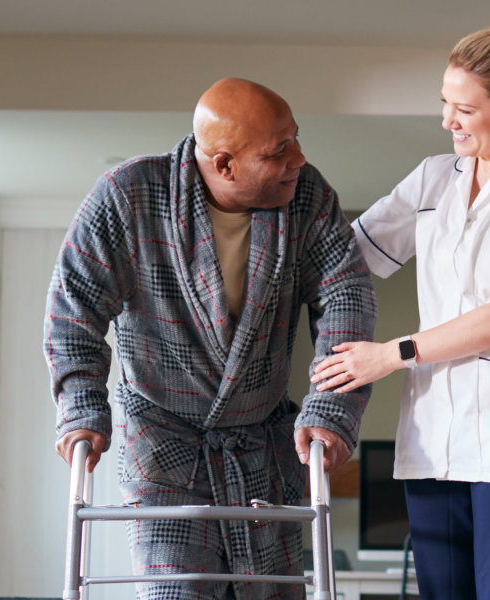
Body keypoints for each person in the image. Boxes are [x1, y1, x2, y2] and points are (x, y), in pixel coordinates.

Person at [45, 78, 373, 600]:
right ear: (223, 164)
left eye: (296, 138)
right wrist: (83, 407)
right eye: (278, 150)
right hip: (164, 444)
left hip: (263, 443)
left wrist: (330, 409)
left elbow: (345, 297)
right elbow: (73, 311)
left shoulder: (307, 196)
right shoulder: (128, 196)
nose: (299, 158)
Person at [312, 2, 490, 599]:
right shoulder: (434, 178)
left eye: (463, 109)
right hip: (433, 429)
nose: (447, 121)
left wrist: (388, 355)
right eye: (445, 103)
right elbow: (348, 257)